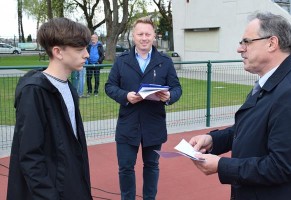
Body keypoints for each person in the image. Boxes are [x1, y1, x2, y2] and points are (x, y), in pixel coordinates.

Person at [188, 12, 291, 200]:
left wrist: (222, 166)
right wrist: (213, 140)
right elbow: (251, 130)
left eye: (246, 42)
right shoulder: (270, 83)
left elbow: (281, 166)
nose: (240, 49)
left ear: (272, 43)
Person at [7, 18, 93, 200]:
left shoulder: (68, 88)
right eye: (79, 50)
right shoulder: (34, 91)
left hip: (72, 185)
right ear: (58, 52)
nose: (86, 54)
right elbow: (30, 156)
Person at [105, 16, 182, 200]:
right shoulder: (122, 60)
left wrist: (170, 96)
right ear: (134, 35)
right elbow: (109, 86)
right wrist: (125, 96)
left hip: (153, 124)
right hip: (128, 124)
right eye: (140, 34)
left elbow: (177, 88)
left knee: (152, 166)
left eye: (148, 34)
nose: (144, 38)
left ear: (154, 36)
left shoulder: (165, 61)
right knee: (125, 167)